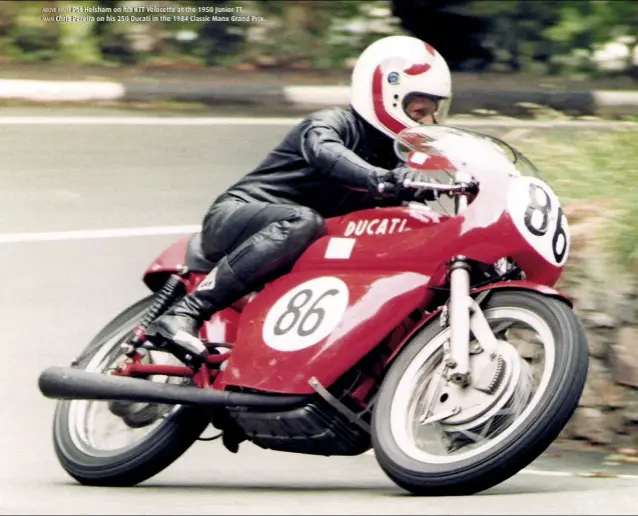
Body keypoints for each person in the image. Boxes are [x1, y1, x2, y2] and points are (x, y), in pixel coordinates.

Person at [145, 35, 453, 362]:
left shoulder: (393, 161)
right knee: (303, 221)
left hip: (296, 249)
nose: (428, 123)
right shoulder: (330, 125)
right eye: (420, 111)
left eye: (434, 114)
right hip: (236, 217)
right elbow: (326, 152)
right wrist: (380, 178)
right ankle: (187, 312)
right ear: (386, 96)